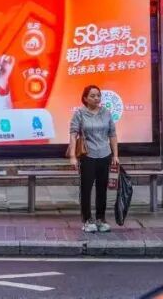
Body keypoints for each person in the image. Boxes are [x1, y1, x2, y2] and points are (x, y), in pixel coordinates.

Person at [67, 85, 119, 234]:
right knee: (86, 188)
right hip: (88, 155)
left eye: (98, 95)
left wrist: (115, 155)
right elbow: (73, 134)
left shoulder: (106, 113)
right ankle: (87, 220)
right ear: (85, 98)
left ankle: (101, 219)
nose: (96, 98)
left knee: (102, 189)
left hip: (105, 154)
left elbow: (112, 134)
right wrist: (72, 156)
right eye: (93, 96)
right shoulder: (80, 113)